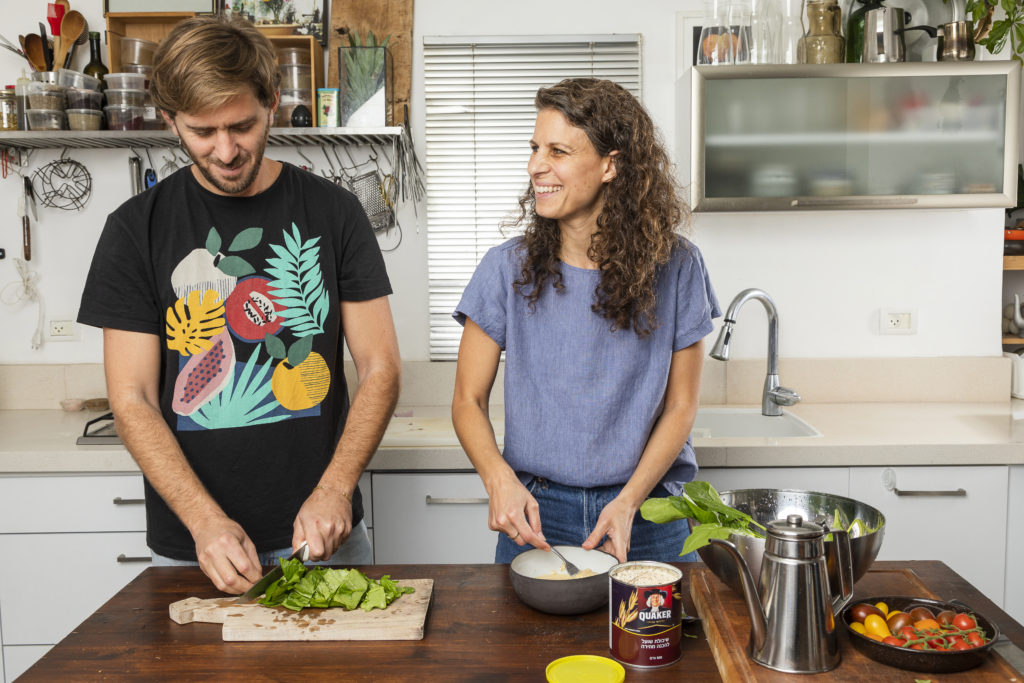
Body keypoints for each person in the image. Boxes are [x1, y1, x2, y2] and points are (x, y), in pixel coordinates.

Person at [76, 15, 400, 594]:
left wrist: (334, 489)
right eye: (203, 132)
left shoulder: (336, 213)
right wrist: (204, 522)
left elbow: (381, 368)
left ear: (273, 102)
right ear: (170, 120)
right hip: (198, 549)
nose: (226, 151)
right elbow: (134, 399)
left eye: (242, 126)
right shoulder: (134, 230)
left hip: (325, 539)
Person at [451, 78, 720, 565]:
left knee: (660, 642)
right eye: (535, 149)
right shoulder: (504, 268)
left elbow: (681, 405)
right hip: (536, 511)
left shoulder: (678, 266)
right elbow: (468, 400)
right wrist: (499, 481)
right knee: (523, 646)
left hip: (649, 510)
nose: (536, 166)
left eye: (558, 151)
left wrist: (628, 501)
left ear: (610, 165)